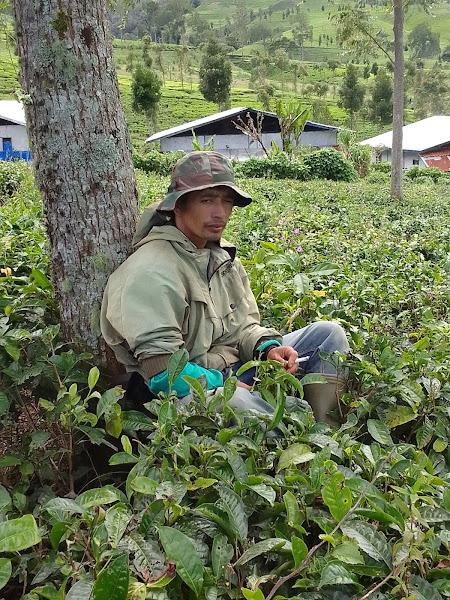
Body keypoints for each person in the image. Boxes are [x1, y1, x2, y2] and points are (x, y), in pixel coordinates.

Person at [100, 151, 349, 424]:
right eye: (207, 200)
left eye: (227, 201)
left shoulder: (221, 257)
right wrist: (226, 386)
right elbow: (164, 374)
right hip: (186, 390)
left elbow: (244, 328)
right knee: (241, 403)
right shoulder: (151, 271)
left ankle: (326, 431)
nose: (220, 213)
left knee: (329, 336)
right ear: (178, 206)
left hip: (234, 370)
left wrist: (267, 348)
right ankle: (303, 435)